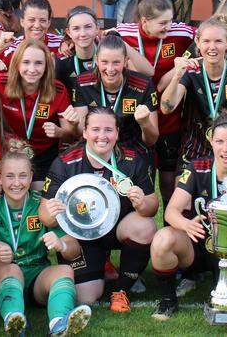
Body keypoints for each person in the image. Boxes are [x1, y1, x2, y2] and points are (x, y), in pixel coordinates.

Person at [150, 114, 227, 322]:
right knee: (162, 239)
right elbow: (171, 211)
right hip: (198, 244)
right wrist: (186, 224)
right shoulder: (196, 167)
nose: (225, 149)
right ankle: (168, 300)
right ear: (211, 140)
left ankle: (219, 301)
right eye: (220, 141)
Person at [41, 107, 158, 310]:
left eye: (108, 130)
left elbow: (152, 206)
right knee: (85, 297)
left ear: (117, 133)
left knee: (145, 225)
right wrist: (51, 213)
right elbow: (44, 215)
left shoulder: (131, 159)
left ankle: (121, 290)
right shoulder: (65, 163)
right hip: (81, 237)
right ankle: (100, 265)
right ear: (85, 132)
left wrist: (142, 203)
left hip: (118, 228)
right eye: (95, 129)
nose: (102, 136)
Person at [0, 141, 92, 335]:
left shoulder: (42, 205)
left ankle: (59, 323)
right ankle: (14, 320)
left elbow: (74, 251)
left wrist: (62, 244)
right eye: (9, 176)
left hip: (35, 276)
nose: (16, 183)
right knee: (12, 270)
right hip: (0, 277)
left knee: (64, 270)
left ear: (31, 177)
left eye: (23, 176)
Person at [112, 0, 196, 200]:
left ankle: (170, 222)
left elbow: (211, 32)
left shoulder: (182, 33)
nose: (169, 27)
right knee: (138, 177)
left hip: (170, 117)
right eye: (163, 23)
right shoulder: (122, 33)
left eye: (171, 20)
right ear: (144, 21)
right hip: (139, 119)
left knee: (168, 180)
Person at [0, 38, 75, 178]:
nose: (32, 69)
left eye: (39, 63)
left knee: (38, 193)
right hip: (6, 151)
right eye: (26, 62)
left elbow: (69, 133)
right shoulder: (1, 82)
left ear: (47, 66)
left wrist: (59, 132)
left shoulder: (57, 89)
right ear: (17, 64)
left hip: (43, 156)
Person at [162, 18, 227, 173]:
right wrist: (176, 76)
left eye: (218, 41)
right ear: (198, 42)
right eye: (206, 41)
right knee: (182, 196)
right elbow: (167, 107)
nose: (212, 47)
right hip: (193, 148)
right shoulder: (190, 71)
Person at [69, 32, 160, 155]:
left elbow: (151, 140)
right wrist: (74, 125)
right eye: (104, 62)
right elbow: (81, 132)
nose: (110, 69)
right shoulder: (82, 82)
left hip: (132, 151)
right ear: (96, 60)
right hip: (96, 147)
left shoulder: (144, 85)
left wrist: (145, 123)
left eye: (116, 62)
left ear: (126, 61)